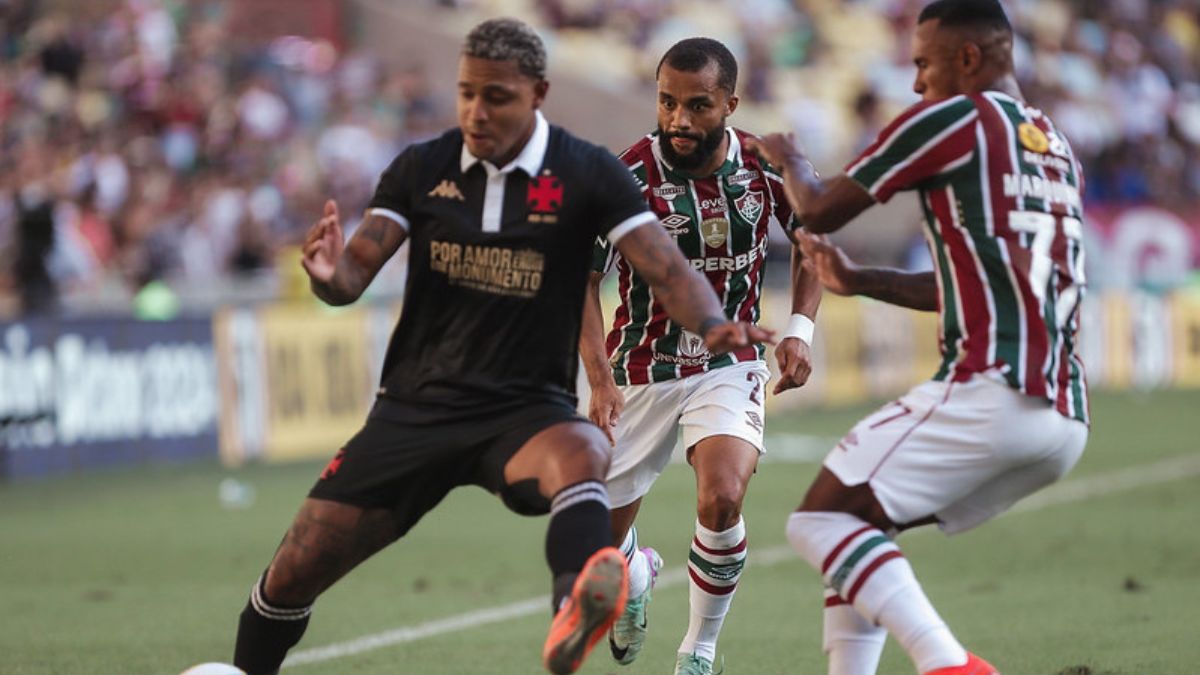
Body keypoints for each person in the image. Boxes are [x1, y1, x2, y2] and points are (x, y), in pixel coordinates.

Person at [230, 18, 771, 675]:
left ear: (538, 93)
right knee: (294, 570)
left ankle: (574, 604)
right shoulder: (421, 169)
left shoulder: (589, 173)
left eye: (496, 96)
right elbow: (354, 272)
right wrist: (328, 278)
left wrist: (714, 324)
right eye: (465, 93)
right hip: (414, 408)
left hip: (525, 411)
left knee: (586, 451)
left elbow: (666, 269)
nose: (475, 112)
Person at [746, 1, 1090, 673]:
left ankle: (948, 664)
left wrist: (789, 158)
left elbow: (817, 207)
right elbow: (976, 282)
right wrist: (859, 278)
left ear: (968, 59)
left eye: (923, 64)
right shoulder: (1055, 146)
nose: (915, 84)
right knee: (859, 521)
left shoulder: (957, 118)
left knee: (818, 522)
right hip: (1064, 413)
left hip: (992, 389)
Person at [579, 38, 822, 675]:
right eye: (666, 102)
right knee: (595, 546)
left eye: (697, 105)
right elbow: (583, 280)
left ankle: (699, 651)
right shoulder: (624, 176)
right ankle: (633, 567)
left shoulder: (767, 165)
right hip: (639, 367)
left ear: (730, 105)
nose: (679, 119)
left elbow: (814, 237)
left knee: (721, 498)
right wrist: (599, 381)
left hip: (728, 361)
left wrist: (801, 326)